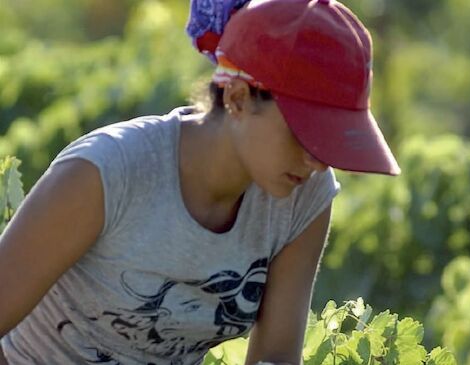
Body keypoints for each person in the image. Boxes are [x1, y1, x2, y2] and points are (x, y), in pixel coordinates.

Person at [0, 0, 400, 364]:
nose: (316, 159)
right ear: (239, 98)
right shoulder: (106, 173)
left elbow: (276, 357)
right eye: (305, 133)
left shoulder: (304, 197)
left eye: (329, 141)